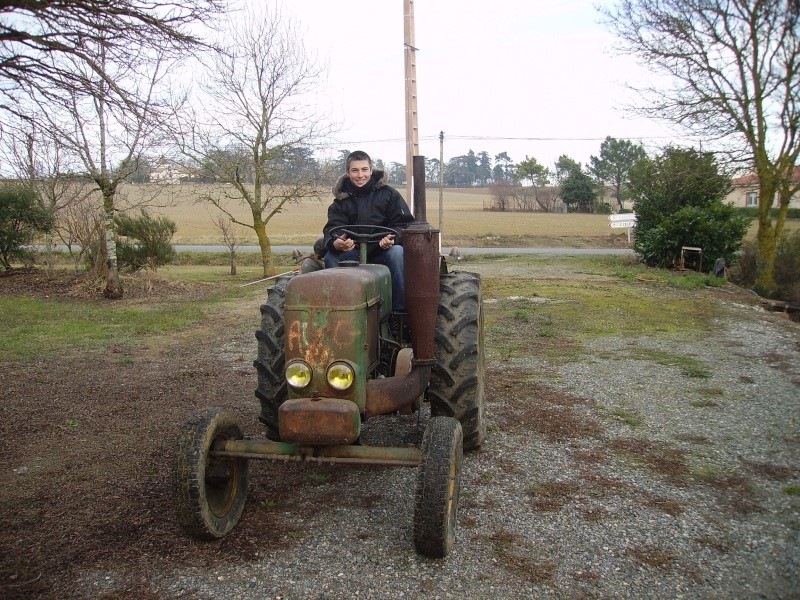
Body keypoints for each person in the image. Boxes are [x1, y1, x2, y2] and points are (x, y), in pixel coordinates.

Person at [322, 150, 414, 312]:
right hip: (352, 253)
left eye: (364, 170)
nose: (360, 175)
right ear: (347, 172)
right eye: (355, 170)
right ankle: (339, 312)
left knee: (397, 253)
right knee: (331, 257)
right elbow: (332, 229)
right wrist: (337, 242)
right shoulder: (341, 201)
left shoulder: (389, 194)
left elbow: (404, 224)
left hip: (382, 250)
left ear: (371, 171)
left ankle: (398, 313)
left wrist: (391, 238)